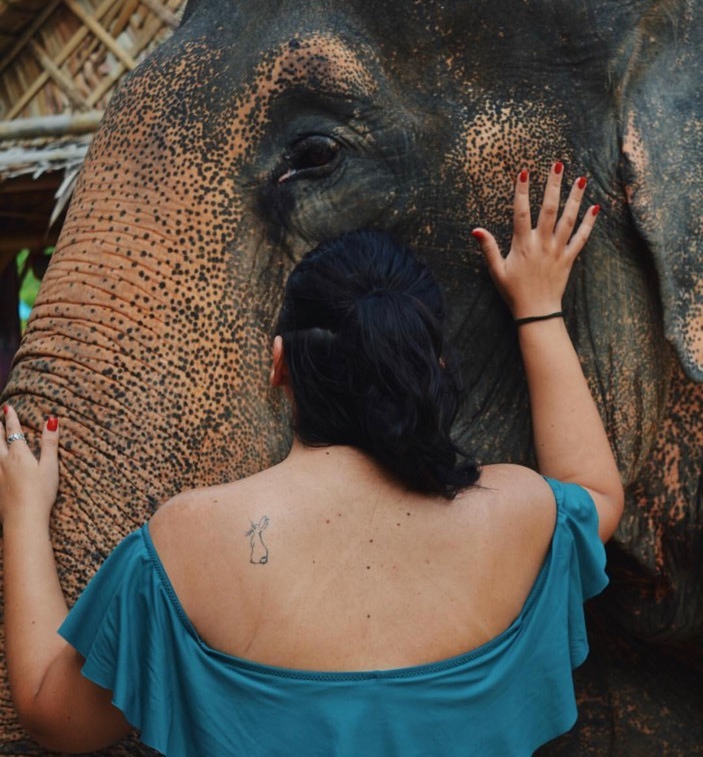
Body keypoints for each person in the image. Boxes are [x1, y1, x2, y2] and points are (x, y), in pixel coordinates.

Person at [0, 164, 624, 756]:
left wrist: (24, 514)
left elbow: (48, 710)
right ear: (430, 368)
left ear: (280, 364)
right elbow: (597, 494)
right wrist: (539, 308)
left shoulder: (185, 541)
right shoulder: (520, 513)